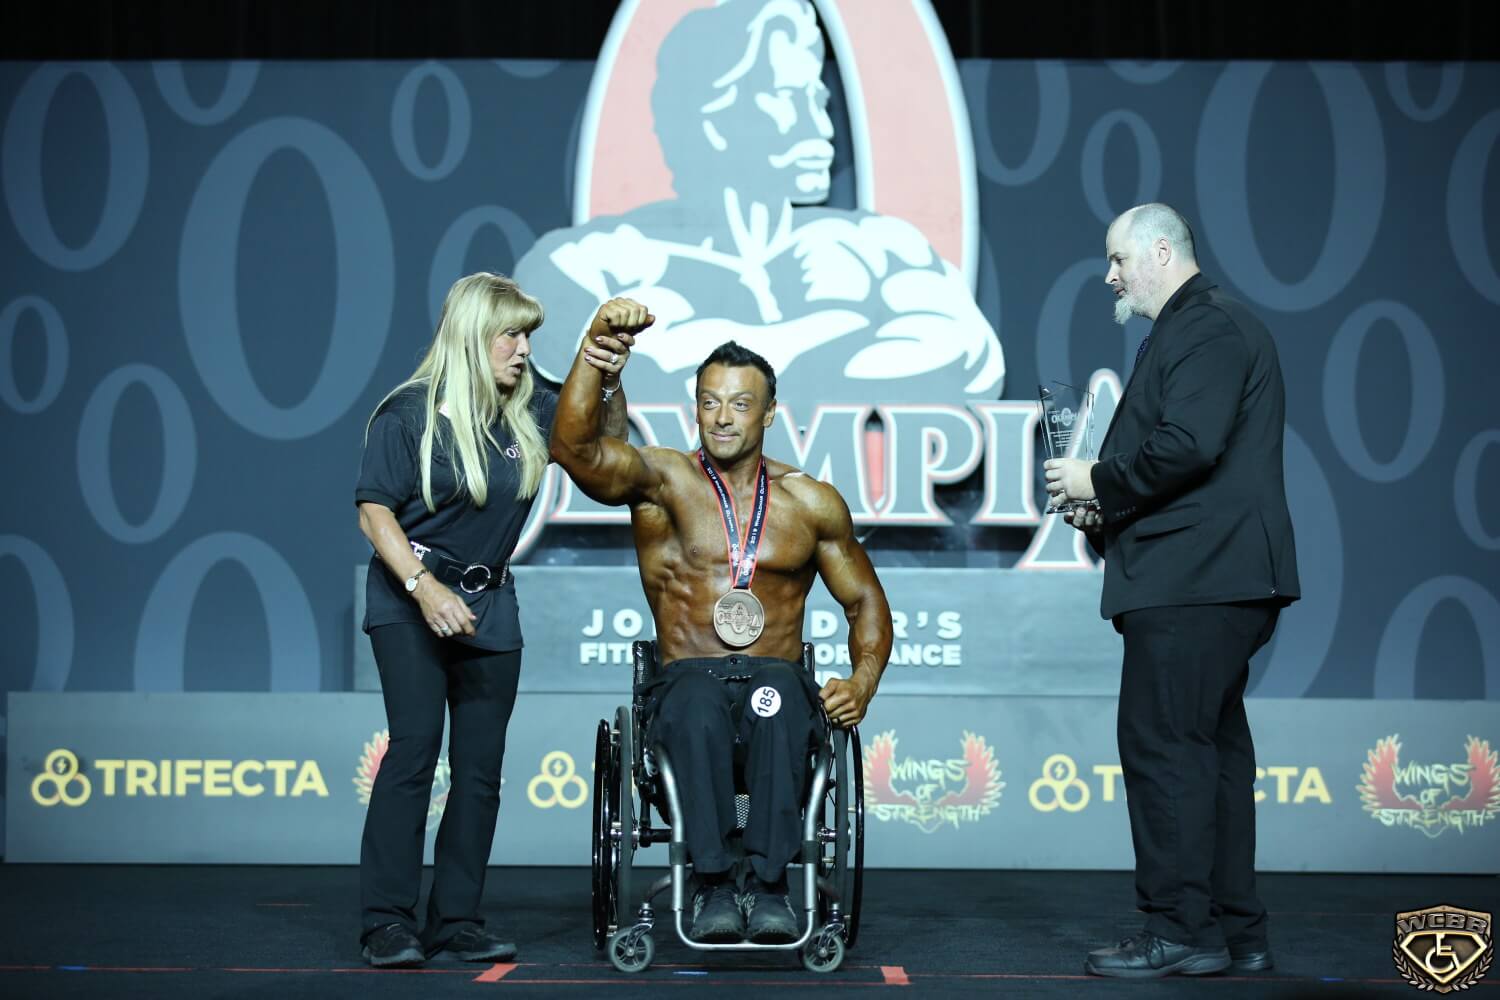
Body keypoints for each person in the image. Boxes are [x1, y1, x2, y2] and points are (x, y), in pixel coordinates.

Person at [548, 298, 893, 944]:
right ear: (696, 408)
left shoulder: (811, 502)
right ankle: (712, 884)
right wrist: (595, 353)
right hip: (687, 682)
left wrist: (862, 682)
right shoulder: (664, 483)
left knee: (778, 694)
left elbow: (865, 602)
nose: (723, 417)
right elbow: (574, 449)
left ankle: (768, 887)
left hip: (774, 686)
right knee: (699, 701)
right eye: (710, 402)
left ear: (769, 412)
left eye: (740, 403)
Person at [516, 0, 1003, 410]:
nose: (821, 124)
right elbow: (622, 366)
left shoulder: (878, 247)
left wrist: (728, 345)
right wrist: (840, 328)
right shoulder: (593, 257)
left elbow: (967, 357)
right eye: (788, 96)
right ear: (712, 117)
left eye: (818, 98)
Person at [1046, 203, 1299, 979]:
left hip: (1197, 578)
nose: (1110, 275)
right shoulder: (1196, 328)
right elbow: (1184, 457)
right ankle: (1236, 932)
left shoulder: (1206, 325)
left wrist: (1096, 479)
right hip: (1207, 575)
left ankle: (1180, 928)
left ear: (1161, 252)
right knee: (1208, 754)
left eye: (1119, 259)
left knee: (1164, 749)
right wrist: (1106, 509)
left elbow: (1189, 446)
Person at [353, 272, 629, 967]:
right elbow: (374, 513)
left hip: (490, 604)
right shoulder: (407, 413)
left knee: (480, 770)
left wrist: (610, 382)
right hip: (411, 597)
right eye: (512, 335)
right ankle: (387, 921)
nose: (524, 348)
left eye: (529, 335)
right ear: (474, 337)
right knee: (415, 750)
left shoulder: (533, 406)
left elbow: (606, 458)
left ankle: (456, 920)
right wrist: (423, 589)